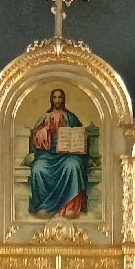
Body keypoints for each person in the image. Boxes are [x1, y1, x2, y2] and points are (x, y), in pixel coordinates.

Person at [28, 87, 88, 218]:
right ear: (51, 99)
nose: (57, 100)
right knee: (38, 169)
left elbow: (81, 135)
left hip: (67, 155)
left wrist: (75, 140)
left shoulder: (71, 117)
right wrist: (44, 131)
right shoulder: (44, 117)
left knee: (73, 166)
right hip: (47, 155)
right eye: (54, 97)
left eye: (59, 97)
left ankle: (70, 207)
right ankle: (44, 206)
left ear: (63, 99)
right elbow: (35, 139)